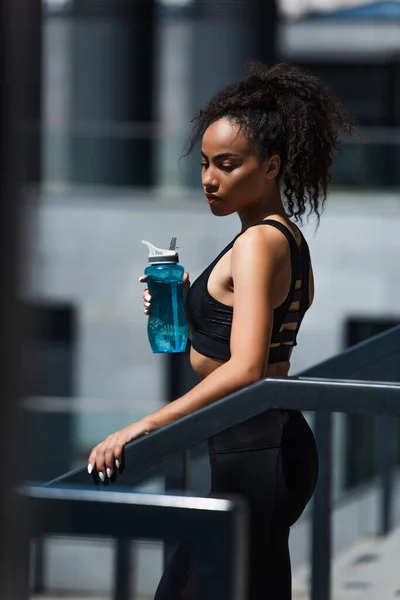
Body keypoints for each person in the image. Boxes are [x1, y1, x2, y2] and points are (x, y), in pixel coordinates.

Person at [87, 62, 353, 599]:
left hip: (256, 453)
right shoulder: (282, 237)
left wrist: (141, 428)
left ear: (273, 165)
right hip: (261, 446)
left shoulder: (258, 243)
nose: (209, 178)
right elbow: (242, 340)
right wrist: (188, 309)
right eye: (206, 164)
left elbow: (248, 367)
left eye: (227, 165)